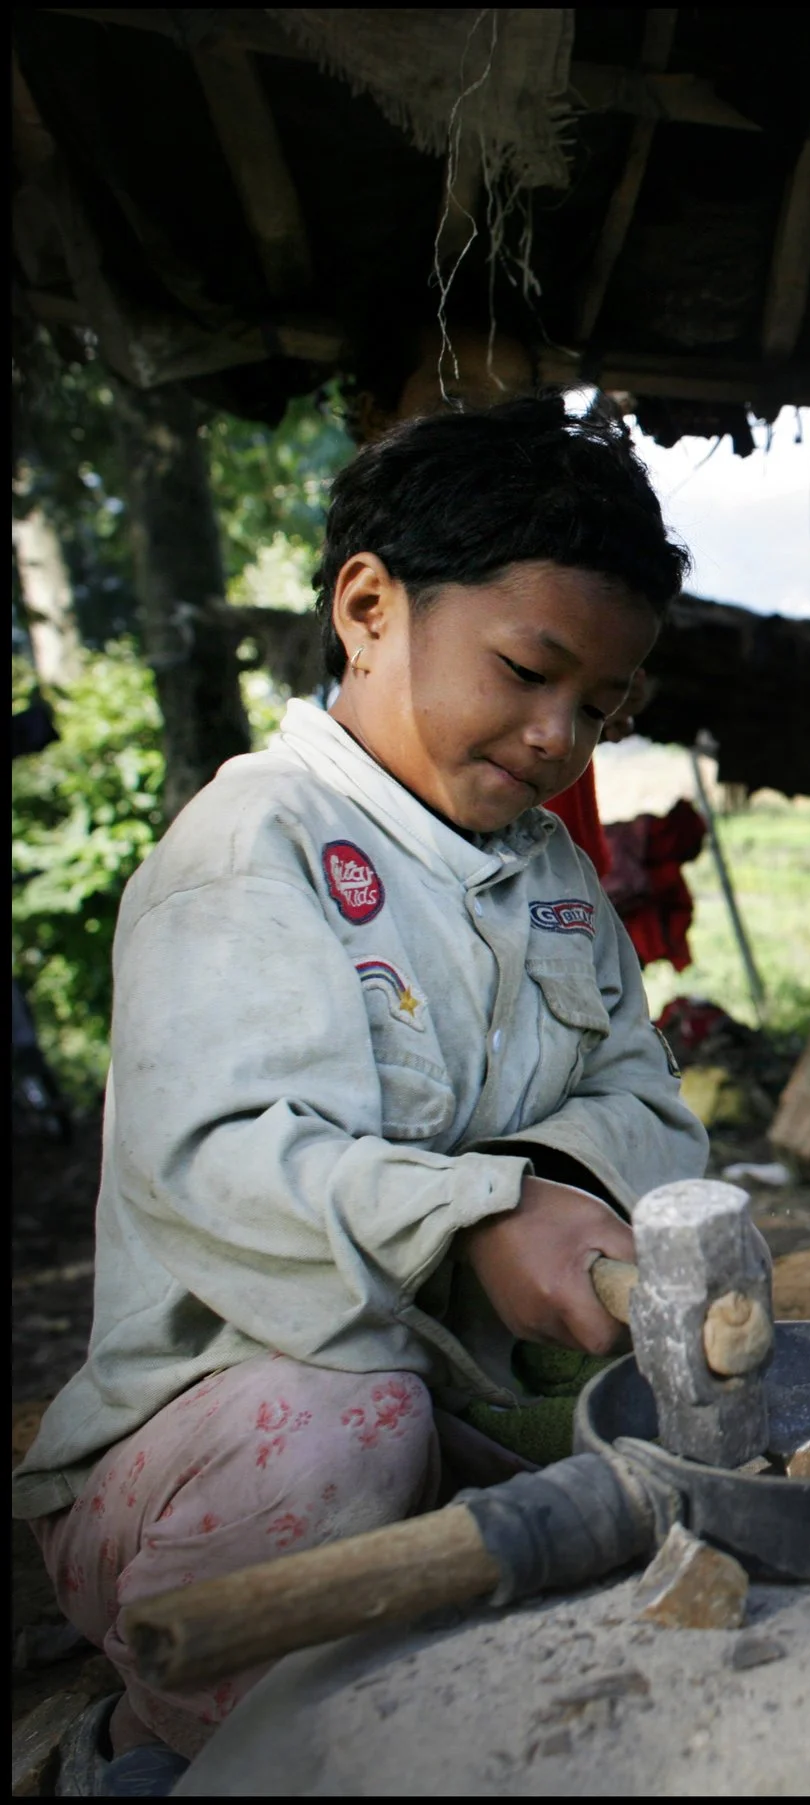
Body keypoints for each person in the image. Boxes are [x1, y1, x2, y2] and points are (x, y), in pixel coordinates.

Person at [10, 395, 707, 1788]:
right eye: (527, 669)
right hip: (214, 1463)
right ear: (372, 606)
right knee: (352, 1418)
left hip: (453, 1426)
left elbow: (651, 1104)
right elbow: (219, 1164)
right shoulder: (249, 850)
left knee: (669, 1460)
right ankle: (137, 1745)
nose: (561, 735)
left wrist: (554, 1189)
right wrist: (472, 1219)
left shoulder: (558, 884)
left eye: (604, 708)